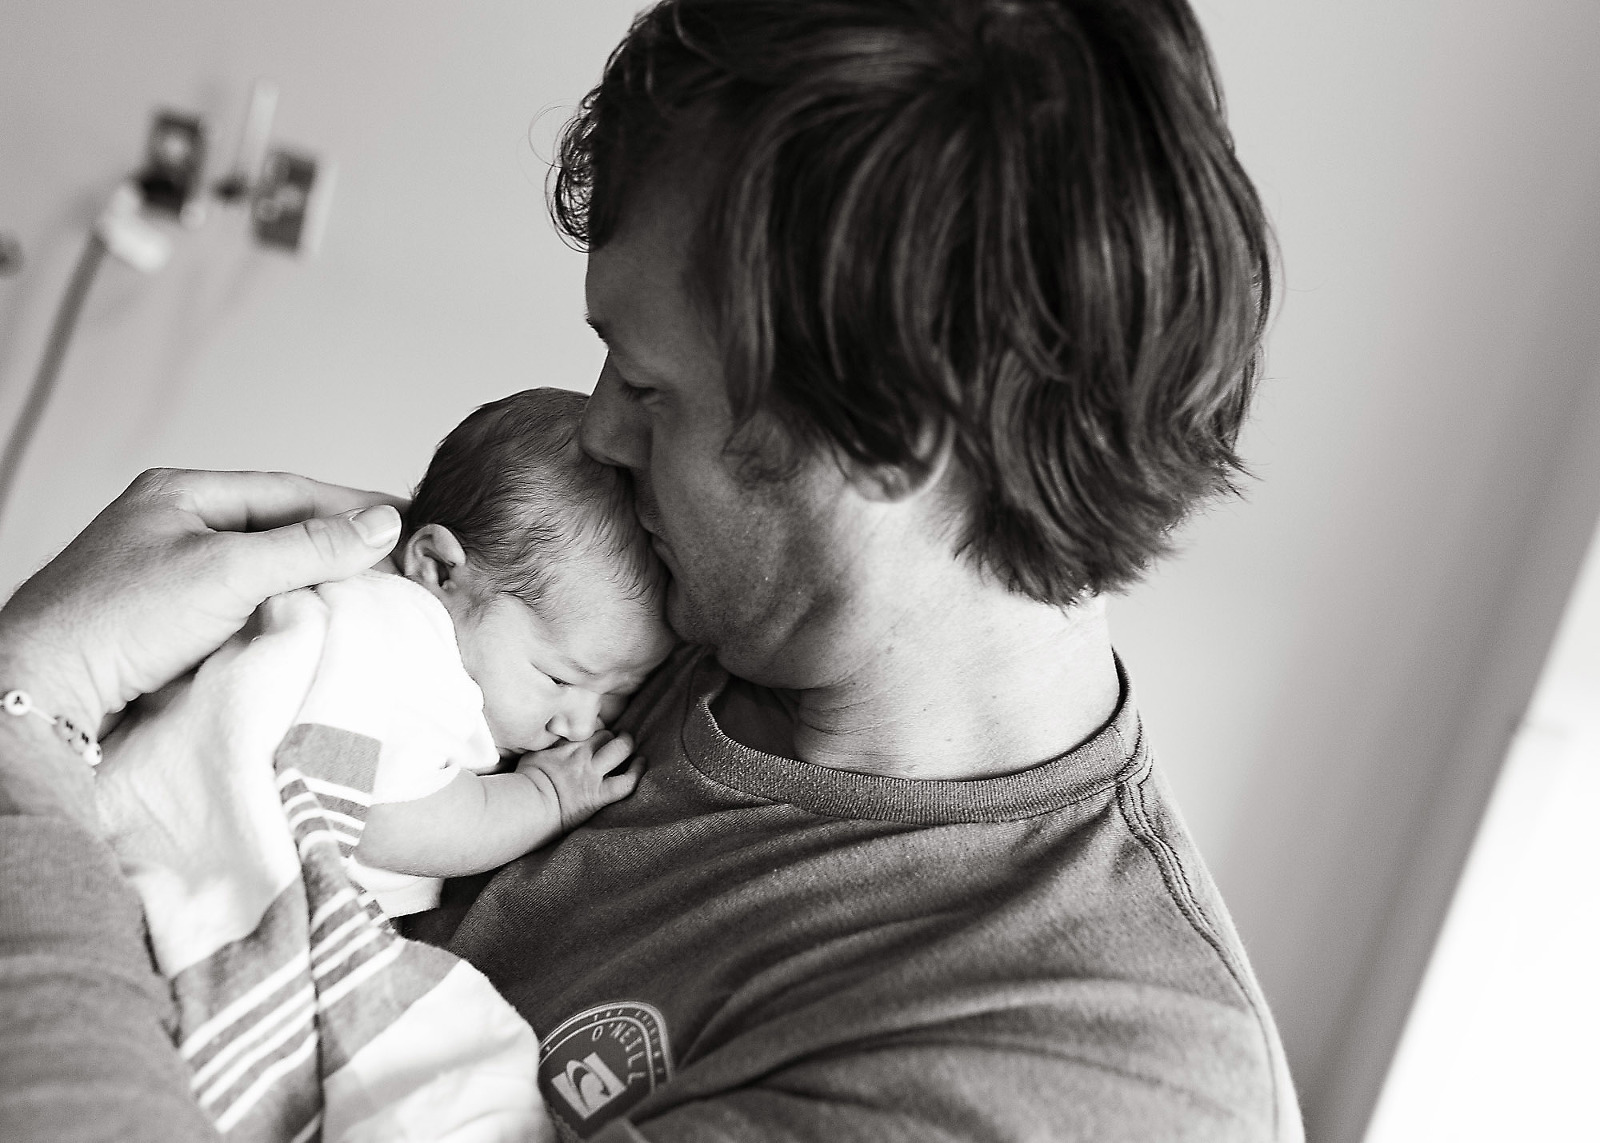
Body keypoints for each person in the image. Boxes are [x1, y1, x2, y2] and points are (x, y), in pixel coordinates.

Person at [0, 1, 1303, 1141]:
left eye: (646, 384)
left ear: (888, 440)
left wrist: (24, 719)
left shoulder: (1083, 1066)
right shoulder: (653, 596)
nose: (599, 431)